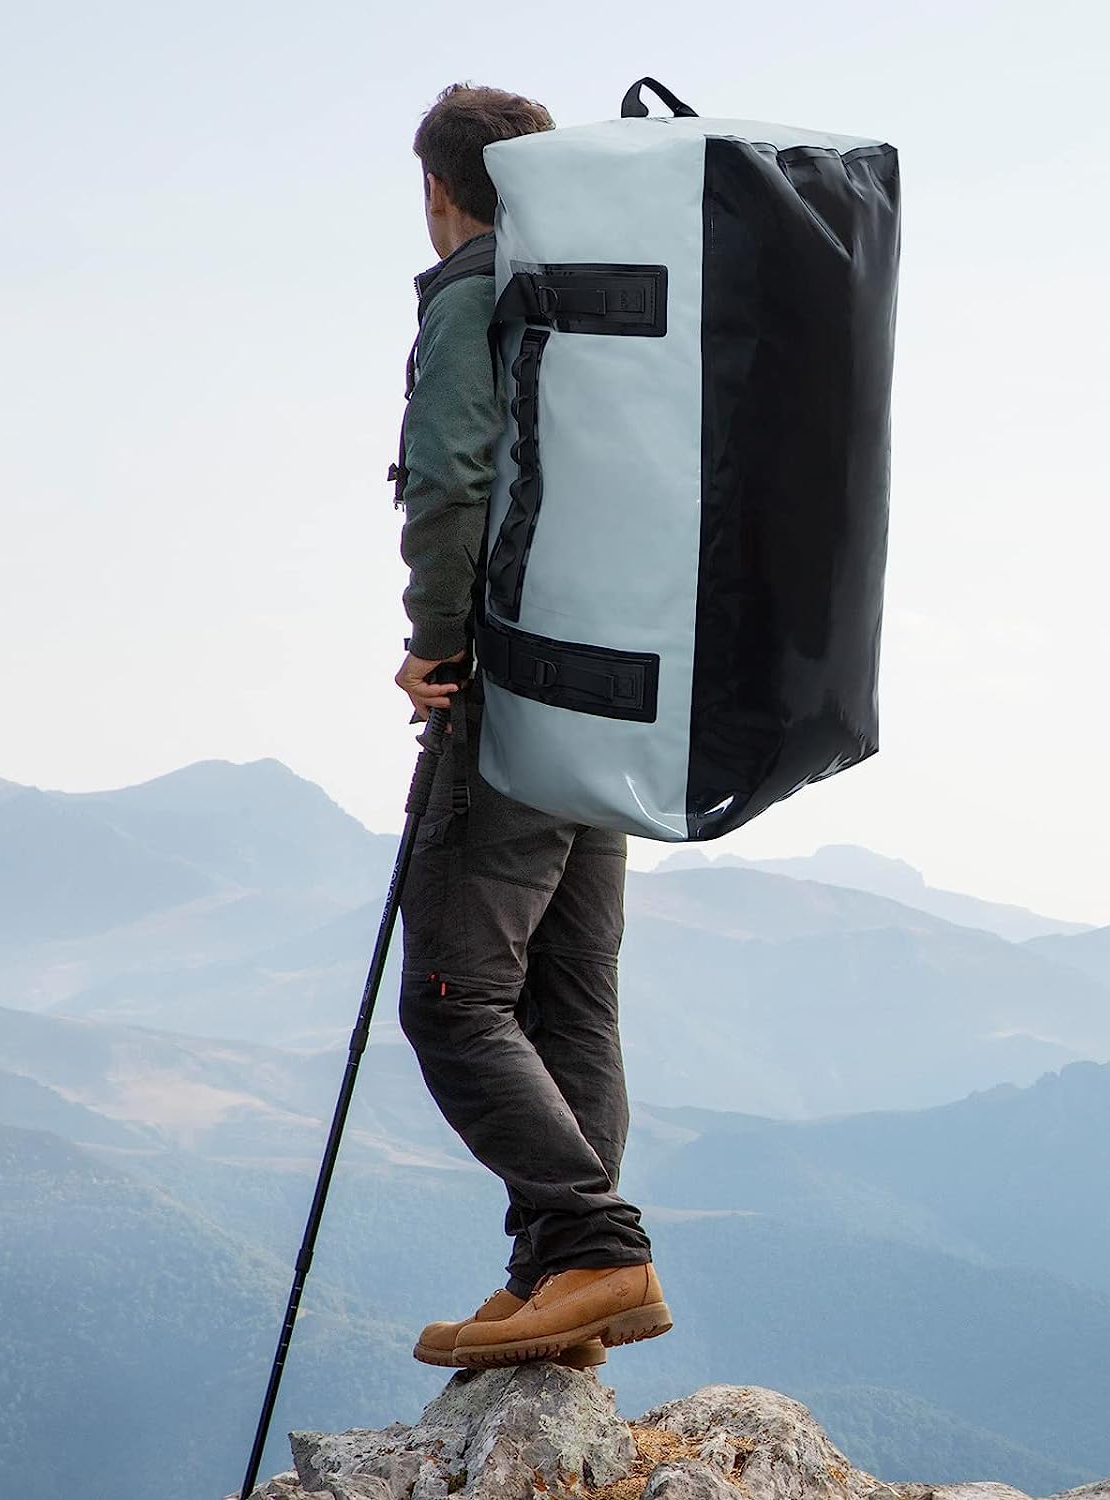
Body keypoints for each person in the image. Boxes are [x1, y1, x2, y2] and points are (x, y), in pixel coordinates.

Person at [392, 83, 671, 1370]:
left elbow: (452, 478)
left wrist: (435, 640)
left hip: (510, 684)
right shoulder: (601, 296)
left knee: (454, 997)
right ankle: (559, 1280)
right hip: (608, 684)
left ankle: (595, 1249)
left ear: (439, 190)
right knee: (569, 998)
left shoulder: (477, 293)